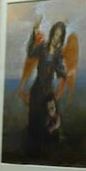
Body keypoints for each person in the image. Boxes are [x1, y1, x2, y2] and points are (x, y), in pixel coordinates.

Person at [16, 17, 68, 159]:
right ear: (52, 33)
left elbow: (61, 70)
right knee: (34, 121)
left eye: (60, 36)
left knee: (48, 122)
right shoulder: (43, 47)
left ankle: (44, 155)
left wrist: (64, 72)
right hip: (37, 90)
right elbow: (30, 53)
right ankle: (32, 154)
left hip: (48, 93)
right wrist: (34, 32)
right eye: (56, 34)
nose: (57, 38)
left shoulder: (58, 54)